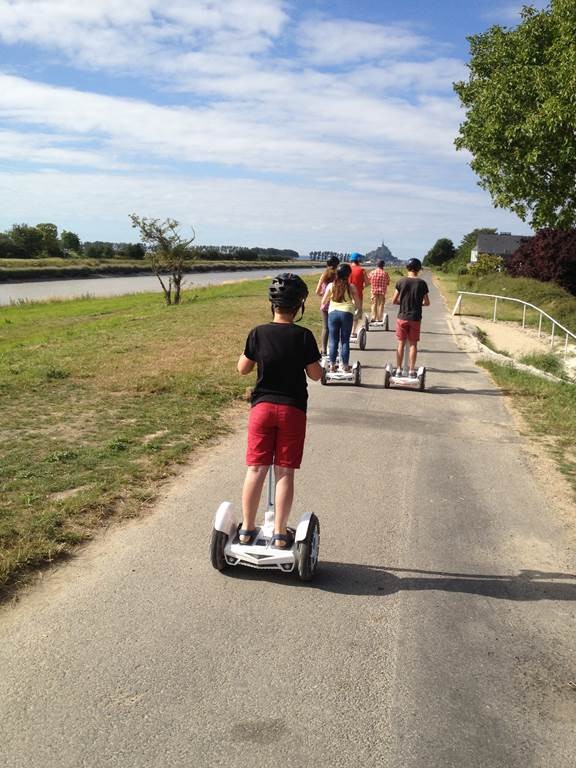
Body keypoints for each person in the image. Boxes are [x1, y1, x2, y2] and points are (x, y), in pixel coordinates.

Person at [237, 273, 322, 548]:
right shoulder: (304, 336)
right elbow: (315, 375)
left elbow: (243, 368)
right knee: (284, 472)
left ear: (272, 304)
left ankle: (247, 529)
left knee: (256, 469)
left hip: (262, 408)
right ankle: (279, 533)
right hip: (292, 410)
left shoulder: (258, 333)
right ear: (299, 306)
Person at [391, 258, 430, 377]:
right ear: (418, 269)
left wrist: (402, 303)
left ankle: (398, 369)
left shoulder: (400, 282)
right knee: (413, 344)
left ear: (407, 268)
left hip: (402, 316)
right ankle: (412, 370)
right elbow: (427, 302)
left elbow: (394, 300)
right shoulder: (422, 283)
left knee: (401, 344)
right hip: (415, 317)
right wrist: (419, 304)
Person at [322, 263, 359, 373]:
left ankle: (332, 365)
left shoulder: (330, 286)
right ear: (348, 275)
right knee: (345, 341)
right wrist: (357, 309)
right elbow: (357, 303)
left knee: (333, 340)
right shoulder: (351, 286)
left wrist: (331, 299)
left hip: (333, 313)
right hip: (347, 313)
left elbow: (324, 301)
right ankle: (345, 366)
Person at [315, 256, 340, 358]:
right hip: (335, 304)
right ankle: (334, 350)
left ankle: (324, 350)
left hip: (325, 305)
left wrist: (323, 294)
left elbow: (317, 291)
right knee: (335, 328)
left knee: (325, 328)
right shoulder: (338, 275)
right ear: (337, 264)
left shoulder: (324, 274)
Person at [348, 252, 370, 335]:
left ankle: (347, 330)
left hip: (347, 295)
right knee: (356, 314)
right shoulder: (362, 270)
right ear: (359, 260)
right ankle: (353, 331)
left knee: (348, 313)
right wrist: (362, 286)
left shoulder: (347, 269)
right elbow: (367, 283)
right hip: (358, 295)